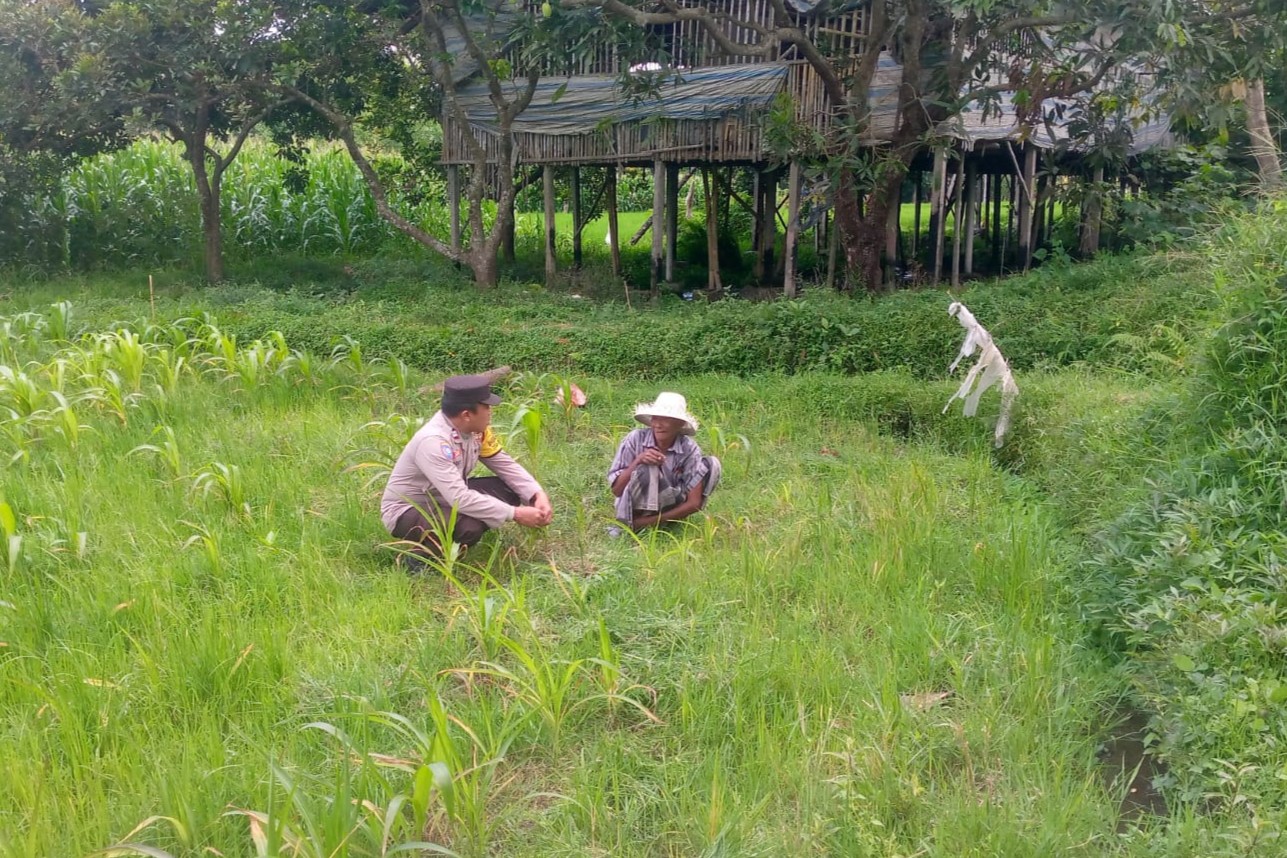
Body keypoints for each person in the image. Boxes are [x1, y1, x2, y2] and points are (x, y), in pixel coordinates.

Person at [381, 374, 552, 567]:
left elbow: (504, 464)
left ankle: (444, 543)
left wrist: (536, 494)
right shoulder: (433, 442)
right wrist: (516, 514)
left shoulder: (476, 431)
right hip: (408, 510)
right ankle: (419, 560)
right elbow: (459, 499)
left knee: (509, 489)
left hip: (443, 496)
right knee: (469, 526)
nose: (490, 412)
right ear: (466, 415)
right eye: (486, 407)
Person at [608, 392, 721, 530]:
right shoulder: (635, 439)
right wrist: (638, 461)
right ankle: (634, 522)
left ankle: (654, 524)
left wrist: (653, 521)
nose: (658, 425)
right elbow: (617, 490)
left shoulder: (689, 449)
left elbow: (694, 502)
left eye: (665, 420)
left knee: (712, 464)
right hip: (634, 508)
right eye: (655, 419)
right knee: (648, 466)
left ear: (679, 424)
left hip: (668, 507)